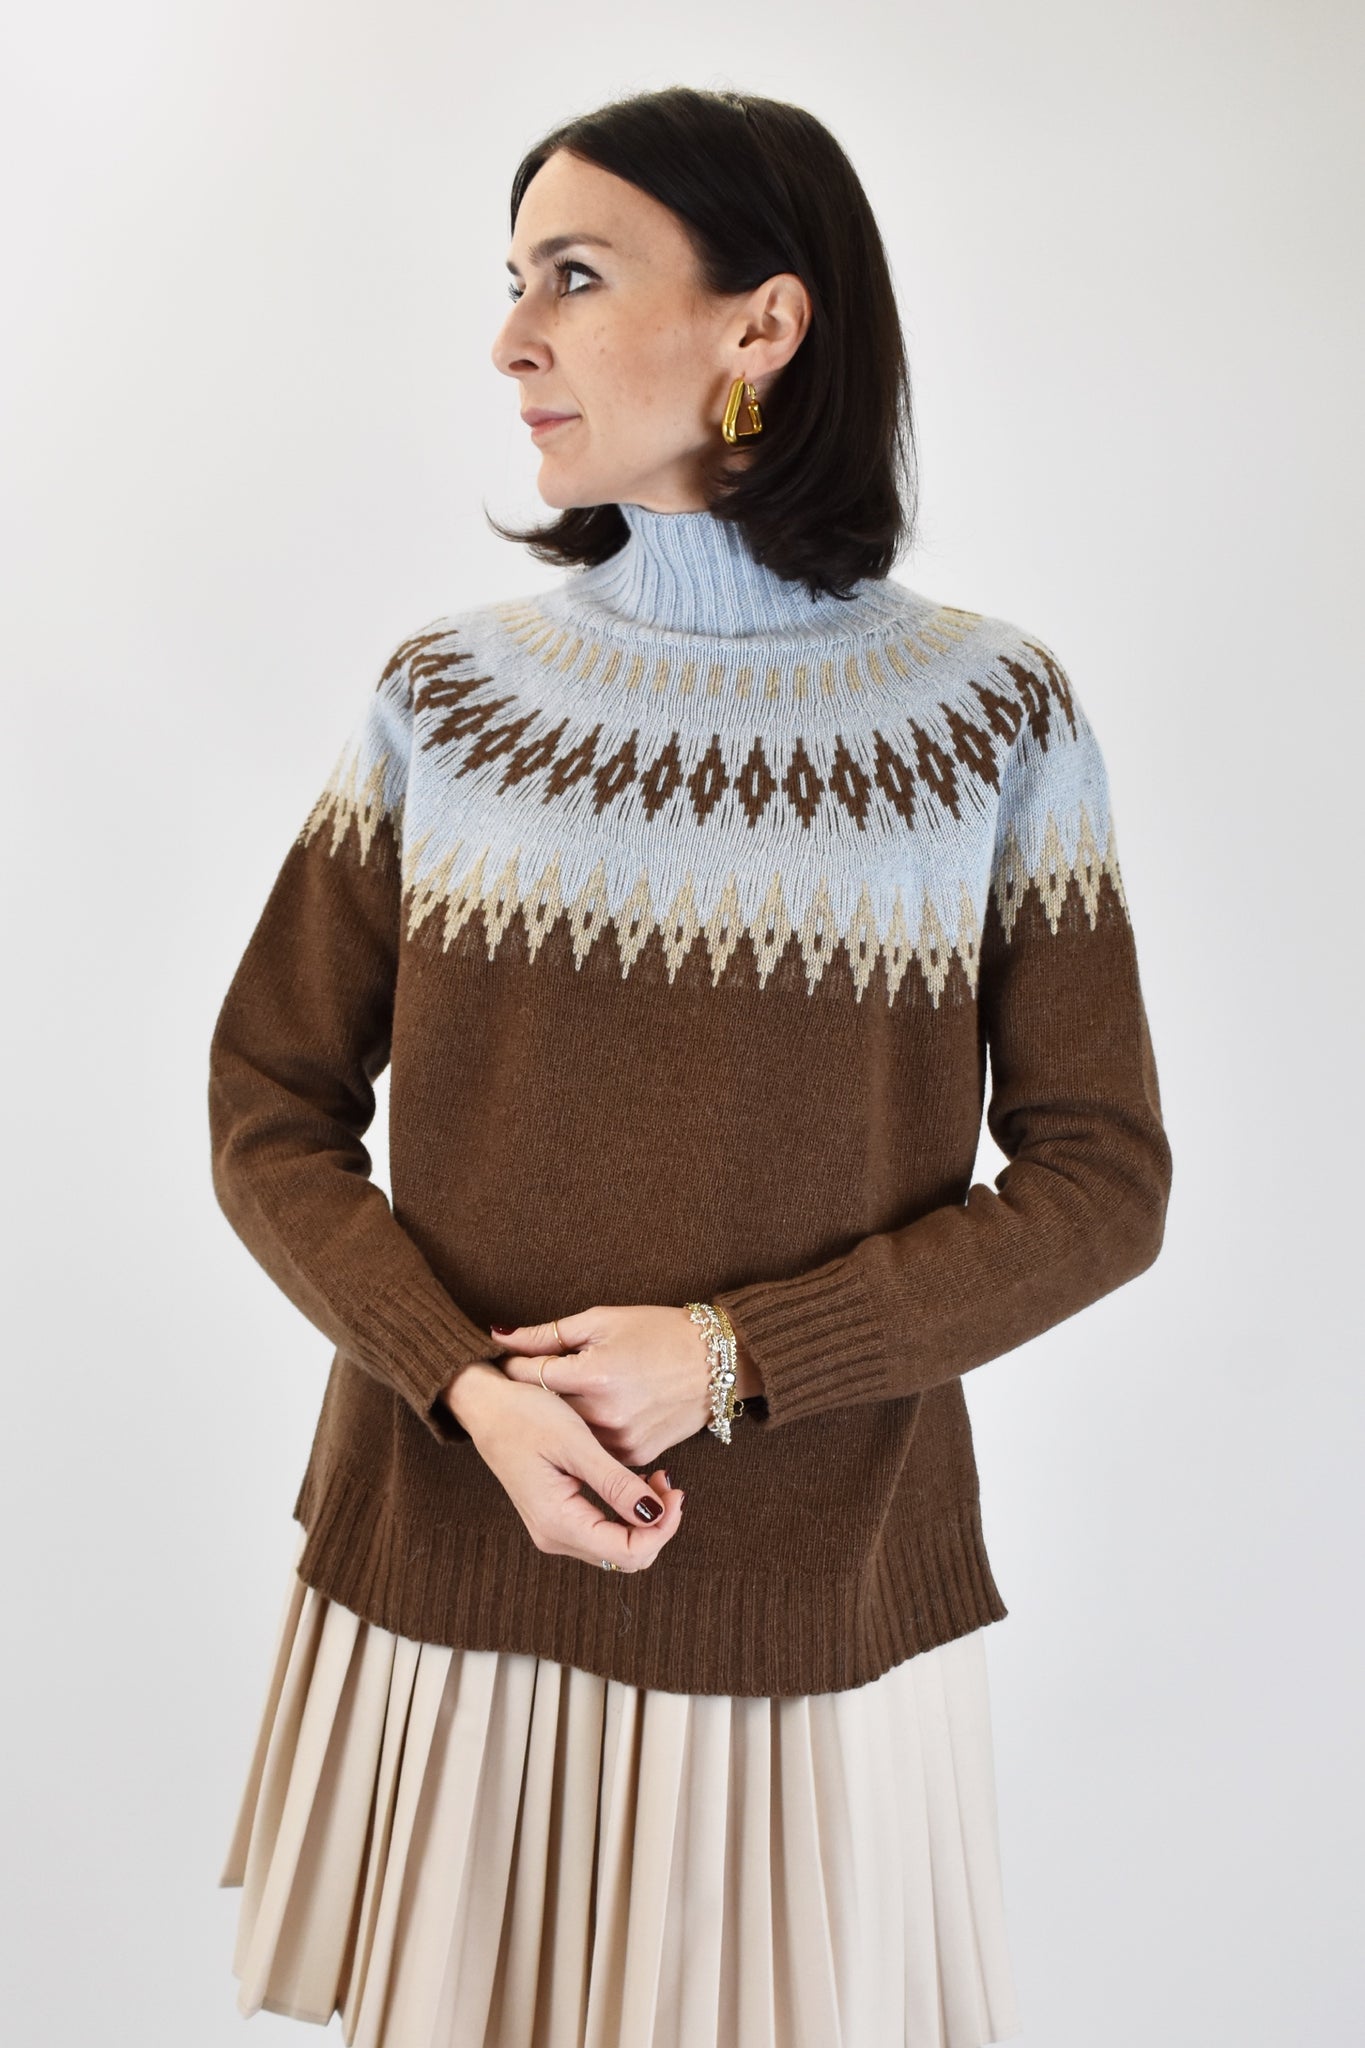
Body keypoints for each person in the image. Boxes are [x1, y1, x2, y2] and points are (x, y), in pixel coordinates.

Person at [210, 85, 1172, 2048]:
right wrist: (463, 1387)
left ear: (764, 323)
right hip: (451, 1556)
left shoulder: (985, 718)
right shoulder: (447, 703)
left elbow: (1101, 1184)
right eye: (510, 282)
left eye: (573, 278)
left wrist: (733, 1358)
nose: (512, 340)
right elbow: (265, 1105)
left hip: (806, 1612)